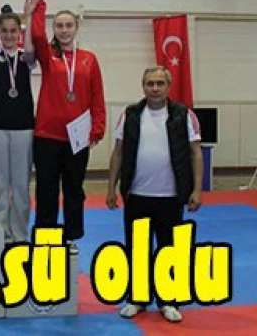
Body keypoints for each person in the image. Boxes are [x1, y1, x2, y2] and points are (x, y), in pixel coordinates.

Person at [105, 66, 203, 323]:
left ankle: (168, 300)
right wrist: (111, 187)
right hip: (136, 193)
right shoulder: (130, 115)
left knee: (169, 251)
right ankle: (137, 298)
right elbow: (118, 152)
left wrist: (196, 189)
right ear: (143, 86)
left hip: (170, 195)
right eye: (150, 83)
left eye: (160, 83)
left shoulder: (183, 115)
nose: (155, 88)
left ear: (168, 86)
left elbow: (195, 153)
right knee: (136, 249)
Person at [25, 0, 107, 254]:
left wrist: (97, 129)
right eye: (59, 26)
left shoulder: (88, 60)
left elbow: (97, 96)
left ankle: (72, 235)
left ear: (76, 28)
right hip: (47, 135)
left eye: (68, 25)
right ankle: (45, 236)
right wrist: (39, 6)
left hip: (78, 137)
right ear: (54, 28)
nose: (63, 30)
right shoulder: (49, 56)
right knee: (46, 189)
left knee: (74, 189)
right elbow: (37, 35)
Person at [0, 0, 37, 243]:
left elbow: (31, 48)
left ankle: (21, 234)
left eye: (13, 31)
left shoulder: (27, 58)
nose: (8, 35)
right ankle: (2, 233)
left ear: (19, 32)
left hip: (24, 127)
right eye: (5, 31)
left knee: (21, 185)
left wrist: (29, 15)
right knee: (0, 184)